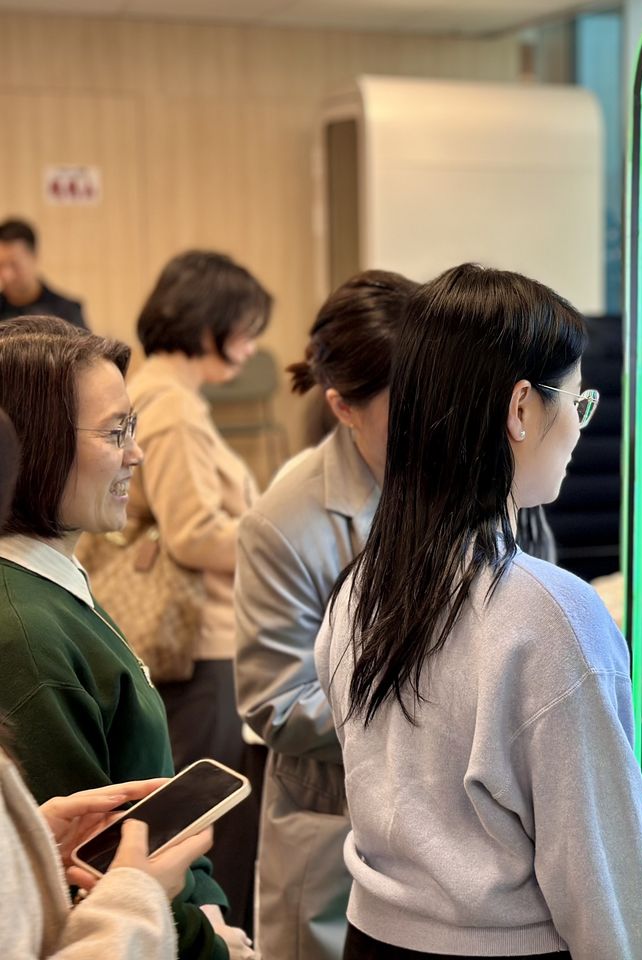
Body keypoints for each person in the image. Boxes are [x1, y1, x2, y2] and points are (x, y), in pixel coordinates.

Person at [316, 263, 642, 960]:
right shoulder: (551, 617)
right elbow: (602, 890)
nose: (579, 429)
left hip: (371, 940)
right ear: (520, 409)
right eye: (577, 403)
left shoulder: (359, 588)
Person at [0, 316, 253, 959]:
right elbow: (89, 879)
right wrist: (213, 942)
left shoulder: (52, 585)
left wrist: (208, 912)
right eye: (115, 433)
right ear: (31, 446)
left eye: (131, 428)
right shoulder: (26, 634)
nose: (135, 454)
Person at [235, 269, 416, 960]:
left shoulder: (467, 484)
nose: (434, 423)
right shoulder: (286, 523)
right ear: (343, 406)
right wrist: (427, 714)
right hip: (335, 830)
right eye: (408, 405)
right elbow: (277, 702)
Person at [121, 250, 271, 931]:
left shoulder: (152, 392)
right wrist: (276, 536)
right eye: (245, 327)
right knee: (211, 819)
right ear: (209, 323)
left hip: (188, 639)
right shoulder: (174, 408)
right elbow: (193, 535)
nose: (252, 346)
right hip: (201, 639)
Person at [0, 219, 87, 328]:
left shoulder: (66, 311)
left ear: (34, 257)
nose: (6, 275)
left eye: (15, 264)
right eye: (0, 265)